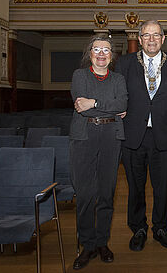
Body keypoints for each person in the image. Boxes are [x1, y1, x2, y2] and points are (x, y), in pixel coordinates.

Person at [116, 20, 167, 252]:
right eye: (146, 35)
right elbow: (117, 96)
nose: (151, 39)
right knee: (135, 188)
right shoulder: (124, 63)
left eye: (156, 35)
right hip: (132, 136)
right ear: (139, 39)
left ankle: (160, 228)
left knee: (162, 187)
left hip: (165, 137)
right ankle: (138, 228)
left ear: (163, 39)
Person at [69, 35, 128, 270]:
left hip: (110, 138)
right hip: (84, 138)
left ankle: (102, 242)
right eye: (97, 49)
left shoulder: (119, 79)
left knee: (106, 193)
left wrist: (93, 103)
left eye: (106, 50)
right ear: (90, 53)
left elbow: (122, 104)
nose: (102, 53)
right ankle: (88, 245)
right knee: (85, 195)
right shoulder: (79, 76)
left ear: (112, 56)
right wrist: (108, 106)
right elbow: (80, 107)